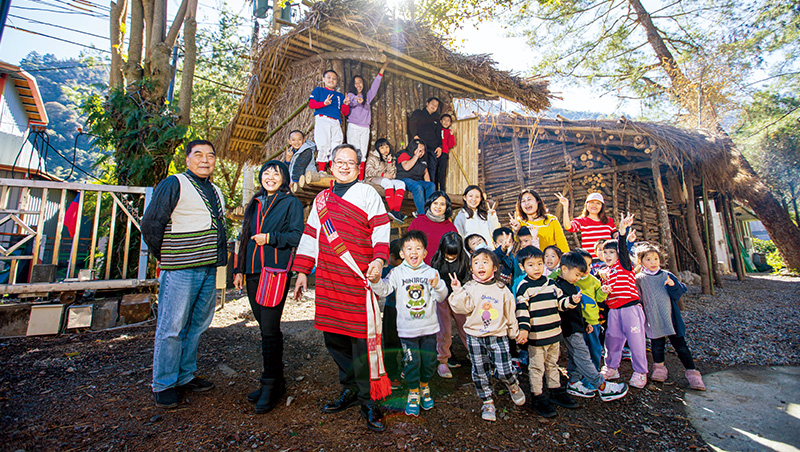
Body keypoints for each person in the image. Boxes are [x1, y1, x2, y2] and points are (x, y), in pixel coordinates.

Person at [291, 144, 391, 432]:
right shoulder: (322, 200)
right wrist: (301, 272)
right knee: (334, 338)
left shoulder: (368, 193)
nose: (345, 166)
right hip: (328, 278)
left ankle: (369, 400)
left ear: (359, 167)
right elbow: (311, 235)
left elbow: (382, 228)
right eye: (340, 161)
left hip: (358, 278)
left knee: (362, 341)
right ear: (331, 165)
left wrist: (379, 260)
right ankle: (348, 387)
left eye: (351, 162)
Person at [141, 140, 227, 409]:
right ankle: (164, 383)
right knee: (172, 326)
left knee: (197, 324)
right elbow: (151, 224)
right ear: (187, 159)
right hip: (180, 268)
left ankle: (185, 375)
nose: (205, 160)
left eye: (210, 155)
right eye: (198, 154)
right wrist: (169, 256)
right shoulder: (174, 183)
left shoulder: (215, 190)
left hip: (208, 268)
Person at [232, 160, 304, 414]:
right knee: (265, 327)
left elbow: (297, 235)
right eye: (266, 172)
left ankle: (269, 384)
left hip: (274, 273)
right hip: (251, 272)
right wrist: (238, 268)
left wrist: (271, 238)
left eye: (276, 173)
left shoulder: (290, 203)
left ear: (284, 178)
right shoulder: (255, 202)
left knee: (270, 330)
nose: (270, 176)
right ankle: (278, 381)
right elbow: (243, 237)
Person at [369, 230, 448, 417]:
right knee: (412, 363)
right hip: (407, 331)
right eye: (409, 248)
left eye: (418, 248)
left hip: (429, 329)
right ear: (402, 253)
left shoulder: (431, 272)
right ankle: (413, 393)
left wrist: (438, 285)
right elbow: (385, 289)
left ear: (425, 253)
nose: (414, 252)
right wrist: (375, 281)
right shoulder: (397, 272)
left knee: (429, 362)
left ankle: (424, 387)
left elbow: (441, 296)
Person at [448, 249, 526, 422]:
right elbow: (461, 309)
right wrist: (457, 291)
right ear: (471, 268)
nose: (480, 265)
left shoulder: (502, 289)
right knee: (480, 371)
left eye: (485, 262)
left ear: (495, 268)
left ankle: (512, 384)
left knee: (504, 369)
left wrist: (514, 332)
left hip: (498, 335)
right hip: (475, 336)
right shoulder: (469, 288)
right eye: (476, 262)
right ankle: (487, 401)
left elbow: (509, 313)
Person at [553, 251, 629, 403]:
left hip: (577, 327)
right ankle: (601, 386)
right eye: (577, 274)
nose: (578, 278)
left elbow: (578, 310)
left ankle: (574, 382)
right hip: (568, 329)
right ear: (564, 269)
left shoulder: (573, 286)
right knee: (583, 356)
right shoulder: (557, 286)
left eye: (581, 276)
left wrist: (585, 323)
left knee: (576, 356)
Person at [514, 245, 580, 418]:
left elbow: (560, 304)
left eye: (539, 264)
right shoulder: (524, 287)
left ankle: (556, 391)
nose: (536, 268)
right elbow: (522, 312)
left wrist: (571, 301)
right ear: (522, 267)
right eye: (531, 265)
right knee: (536, 368)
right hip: (537, 336)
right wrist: (523, 330)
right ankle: (538, 396)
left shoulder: (551, 284)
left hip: (554, 333)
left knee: (552, 364)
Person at [636, 243, 705, 390]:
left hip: (670, 318)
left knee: (681, 346)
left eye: (656, 258)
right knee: (657, 346)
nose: (653, 262)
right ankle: (659, 369)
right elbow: (639, 299)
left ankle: (692, 373)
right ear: (640, 261)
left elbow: (677, 295)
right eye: (648, 259)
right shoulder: (640, 279)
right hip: (653, 319)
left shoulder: (666, 275)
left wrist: (672, 285)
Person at [597, 214, 649, 389]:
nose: (608, 255)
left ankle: (640, 372)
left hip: (630, 309)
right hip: (614, 311)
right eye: (605, 253)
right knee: (612, 339)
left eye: (612, 252)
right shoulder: (606, 272)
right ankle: (611, 367)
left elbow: (623, 249)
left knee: (636, 341)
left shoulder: (624, 266)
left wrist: (622, 231)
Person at [430, 232, 470, 378]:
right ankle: (443, 361)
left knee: (466, 328)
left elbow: (468, 279)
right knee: (444, 331)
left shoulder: (465, 261)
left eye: (454, 254)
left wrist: (460, 289)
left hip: (459, 297)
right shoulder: (437, 262)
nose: (451, 257)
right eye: (448, 254)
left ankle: (475, 356)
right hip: (443, 299)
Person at [346, 62, 389, 178]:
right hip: (354, 127)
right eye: (355, 83)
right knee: (354, 152)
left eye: (360, 82)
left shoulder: (367, 98)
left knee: (363, 153)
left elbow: (375, 87)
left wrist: (381, 72)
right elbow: (353, 101)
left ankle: (360, 179)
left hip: (365, 128)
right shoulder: (350, 95)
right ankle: (351, 177)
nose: (358, 85)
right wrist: (357, 100)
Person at [572, 249, 607, 372]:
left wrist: (603, 292)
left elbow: (598, 298)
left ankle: (595, 370)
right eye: (583, 264)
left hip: (591, 320)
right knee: (580, 348)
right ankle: (579, 372)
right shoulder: (571, 279)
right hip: (577, 320)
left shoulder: (594, 281)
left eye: (589, 264)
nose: (587, 268)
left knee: (593, 347)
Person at [309, 70, 350, 172]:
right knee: (323, 144)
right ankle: (321, 171)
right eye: (329, 77)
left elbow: (345, 113)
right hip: (322, 119)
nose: (331, 80)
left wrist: (346, 104)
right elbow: (311, 104)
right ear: (323, 79)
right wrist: (324, 103)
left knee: (336, 145)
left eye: (334, 78)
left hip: (335, 121)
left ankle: (334, 171)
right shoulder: (319, 90)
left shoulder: (339, 96)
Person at [559, 192, 618, 261]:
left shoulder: (609, 221)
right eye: (592, 202)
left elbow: (615, 235)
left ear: (602, 206)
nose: (594, 205)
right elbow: (568, 227)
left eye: (598, 203)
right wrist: (565, 207)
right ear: (586, 205)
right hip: (589, 260)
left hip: (607, 259)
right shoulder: (581, 220)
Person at [509, 189, 569, 253]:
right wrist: (516, 230)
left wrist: (566, 260)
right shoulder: (519, 222)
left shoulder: (551, 220)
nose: (526, 203)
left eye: (529, 199)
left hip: (549, 260)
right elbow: (517, 240)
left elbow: (562, 243)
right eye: (523, 201)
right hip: (529, 260)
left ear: (537, 201)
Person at [407, 191, 457, 265]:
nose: (438, 207)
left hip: (441, 271)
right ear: (430, 204)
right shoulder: (417, 222)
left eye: (442, 204)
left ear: (447, 207)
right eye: (435, 203)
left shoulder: (451, 228)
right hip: (418, 268)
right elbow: (407, 245)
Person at [380, 240, 404, 389]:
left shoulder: (408, 269)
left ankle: (406, 370)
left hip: (406, 310)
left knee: (406, 342)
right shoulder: (385, 268)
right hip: (391, 309)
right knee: (390, 342)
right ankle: (392, 373)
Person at [365, 138, 406, 223]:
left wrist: (389, 162)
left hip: (385, 179)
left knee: (401, 183)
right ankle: (394, 211)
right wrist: (382, 174)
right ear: (378, 149)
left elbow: (392, 174)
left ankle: (396, 212)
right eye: (382, 148)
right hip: (373, 178)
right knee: (387, 182)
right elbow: (368, 171)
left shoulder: (391, 157)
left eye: (387, 147)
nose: (385, 150)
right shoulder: (373, 157)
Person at [408, 97, 442, 188]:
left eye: (436, 105)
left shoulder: (436, 118)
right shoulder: (418, 113)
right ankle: (419, 188)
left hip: (432, 148)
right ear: (427, 103)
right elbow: (412, 124)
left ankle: (431, 190)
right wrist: (415, 137)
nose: (434, 106)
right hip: (420, 146)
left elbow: (439, 134)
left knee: (432, 169)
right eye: (433, 103)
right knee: (419, 167)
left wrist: (439, 146)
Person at [396, 139, 435, 215]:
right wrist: (416, 156)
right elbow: (406, 167)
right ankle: (421, 214)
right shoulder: (404, 154)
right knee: (417, 187)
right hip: (404, 179)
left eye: (423, 150)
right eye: (419, 149)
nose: (421, 152)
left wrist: (428, 186)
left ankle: (428, 210)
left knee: (431, 185)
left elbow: (426, 174)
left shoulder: (422, 161)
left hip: (416, 180)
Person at [436, 113, 455, 191]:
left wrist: (451, 135)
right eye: (444, 120)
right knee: (435, 171)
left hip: (444, 154)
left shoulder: (449, 132)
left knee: (442, 172)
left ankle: (442, 189)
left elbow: (451, 145)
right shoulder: (437, 129)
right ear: (440, 121)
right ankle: (435, 189)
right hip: (436, 152)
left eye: (448, 121)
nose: (446, 122)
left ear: (450, 123)